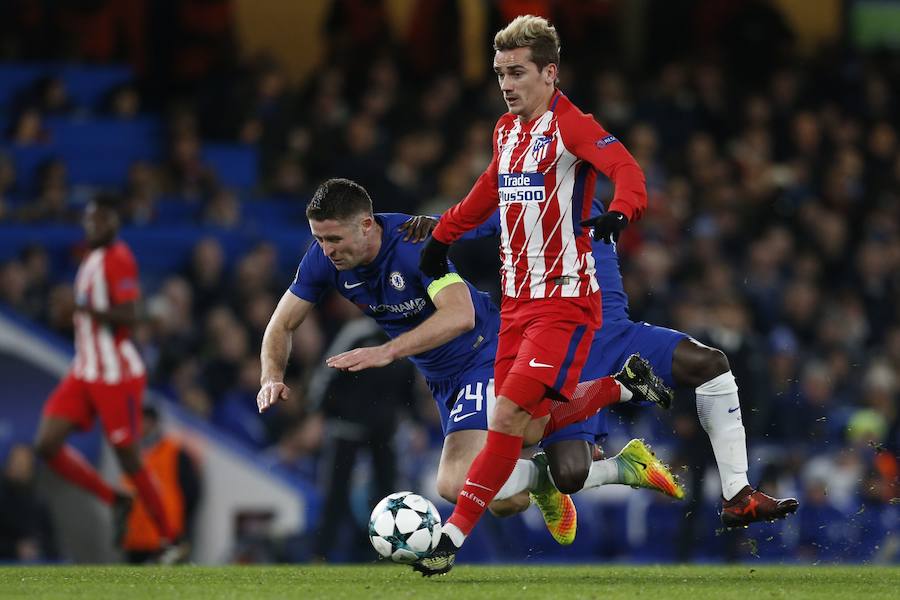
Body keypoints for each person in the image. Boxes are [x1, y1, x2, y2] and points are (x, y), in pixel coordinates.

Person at [256, 178, 678, 548]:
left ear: (366, 224)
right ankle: (609, 463)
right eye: (320, 240)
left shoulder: (412, 245)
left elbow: (460, 315)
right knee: (505, 502)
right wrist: (271, 377)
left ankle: (617, 389)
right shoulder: (322, 259)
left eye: (334, 240)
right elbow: (281, 323)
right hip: (444, 379)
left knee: (455, 483)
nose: (326, 251)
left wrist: (387, 352)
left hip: (484, 353)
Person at [404, 199, 801, 533]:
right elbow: (478, 221)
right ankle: (602, 468)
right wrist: (440, 226)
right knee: (570, 475)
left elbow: (631, 190)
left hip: (616, 330)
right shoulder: (524, 204)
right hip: (565, 345)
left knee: (711, 363)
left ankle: (738, 494)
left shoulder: (595, 201)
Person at [415, 15, 649, 575]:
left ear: (550, 72)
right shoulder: (506, 130)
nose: (506, 84)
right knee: (524, 427)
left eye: (517, 73)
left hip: (565, 302)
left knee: (506, 415)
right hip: (514, 304)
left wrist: (621, 213)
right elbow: (488, 189)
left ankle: (449, 542)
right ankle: (619, 387)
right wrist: (442, 236)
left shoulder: (573, 126)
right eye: (500, 73)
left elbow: (627, 169)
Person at [32, 194, 183, 560]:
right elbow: (91, 316)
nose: (92, 227)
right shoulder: (91, 259)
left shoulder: (119, 258)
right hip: (85, 369)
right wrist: (66, 315)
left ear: (115, 222)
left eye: (100, 220)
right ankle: (115, 498)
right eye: (89, 220)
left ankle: (171, 539)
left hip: (115, 373)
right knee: (46, 444)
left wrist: (79, 307)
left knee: (128, 457)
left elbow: (129, 315)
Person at [121, 404, 200, 564]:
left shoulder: (174, 451)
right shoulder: (130, 452)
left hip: (166, 534)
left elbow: (192, 492)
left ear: (152, 422)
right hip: (135, 536)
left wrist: (183, 527)